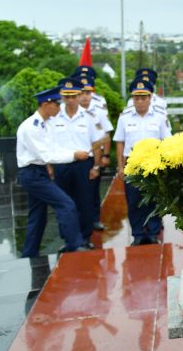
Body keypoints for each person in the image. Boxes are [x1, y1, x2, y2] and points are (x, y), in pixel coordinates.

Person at [17, 86, 91, 257]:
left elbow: (55, 147)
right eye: (57, 104)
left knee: (38, 215)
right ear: (46, 104)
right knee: (66, 204)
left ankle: (29, 253)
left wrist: (75, 153)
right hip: (32, 174)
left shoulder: (45, 124)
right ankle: (75, 244)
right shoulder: (31, 127)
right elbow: (46, 155)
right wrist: (74, 155)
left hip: (38, 171)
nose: (60, 107)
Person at [114, 79, 171, 245]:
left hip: (153, 164)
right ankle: (137, 234)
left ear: (150, 97)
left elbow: (166, 140)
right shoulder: (124, 118)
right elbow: (120, 142)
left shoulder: (160, 117)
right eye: (136, 98)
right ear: (132, 99)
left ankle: (153, 232)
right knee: (133, 201)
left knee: (154, 199)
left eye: (143, 97)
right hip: (132, 165)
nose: (140, 101)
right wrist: (120, 166)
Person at [49, 77, 104, 247]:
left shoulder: (89, 117)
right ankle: (68, 239)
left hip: (83, 166)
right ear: (61, 97)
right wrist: (49, 166)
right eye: (67, 96)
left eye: (74, 96)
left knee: (84, 202)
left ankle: (85, 238)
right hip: (61, 165)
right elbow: (49, 144)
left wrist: (96, 166)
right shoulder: (53, 117)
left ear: (80, 95)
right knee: (64, 203)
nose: (70, 100)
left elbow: (96, 144)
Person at [77, 75, 113, 230]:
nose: (85, 96)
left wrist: (105, 155)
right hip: (73, 158)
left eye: (88, 92)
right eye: (82, 92)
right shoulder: (68, 112)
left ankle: (94, 219)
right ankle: (79, 222)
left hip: (93, 157)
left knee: (92, 191)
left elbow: (106, 135)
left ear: (92, 93)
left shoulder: (98, 112)